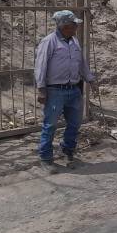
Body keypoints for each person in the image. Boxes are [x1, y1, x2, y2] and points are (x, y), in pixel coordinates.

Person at [34, 10, 96, 174]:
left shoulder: (74, 41)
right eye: (74, 25)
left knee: (75, 124)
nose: (76, 27)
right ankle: (46, 158)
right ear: (65, 26)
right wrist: (41, 90)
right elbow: (40, 66)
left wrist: (90, 79)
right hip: (55, 90)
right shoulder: (49, 41)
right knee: (50, 125)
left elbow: (81, 63)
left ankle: (68, 151)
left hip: (73, 89)